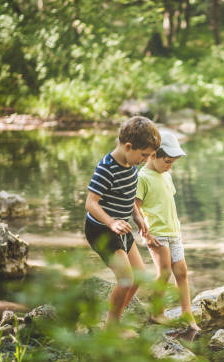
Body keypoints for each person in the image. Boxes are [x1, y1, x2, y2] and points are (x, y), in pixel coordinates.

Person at [84, 116, 160, 331]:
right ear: (128, 146)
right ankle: (112, 326)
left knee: (139, 275)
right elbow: (90, 203)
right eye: (143, 155)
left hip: (120, 227)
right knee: (125, 278)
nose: (145, 160)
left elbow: (127, 197)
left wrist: (137, 216)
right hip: (101, 229)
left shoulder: (130, 164)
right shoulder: (106, 168)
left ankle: (117, 314)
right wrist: (111, 223)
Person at [135, 131, 201, 331]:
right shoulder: (142, 177)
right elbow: (135, 207)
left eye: (173, 162)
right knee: (164, 273)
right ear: (153, 155)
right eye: (168, 161)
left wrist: (178, 229)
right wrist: (145, 233)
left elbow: (168, 203)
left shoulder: (167, 176)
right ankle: (158, 313)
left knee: (181, 272)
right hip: (157, 234)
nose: (170, 166)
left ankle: (187, 313)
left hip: (173, 233)